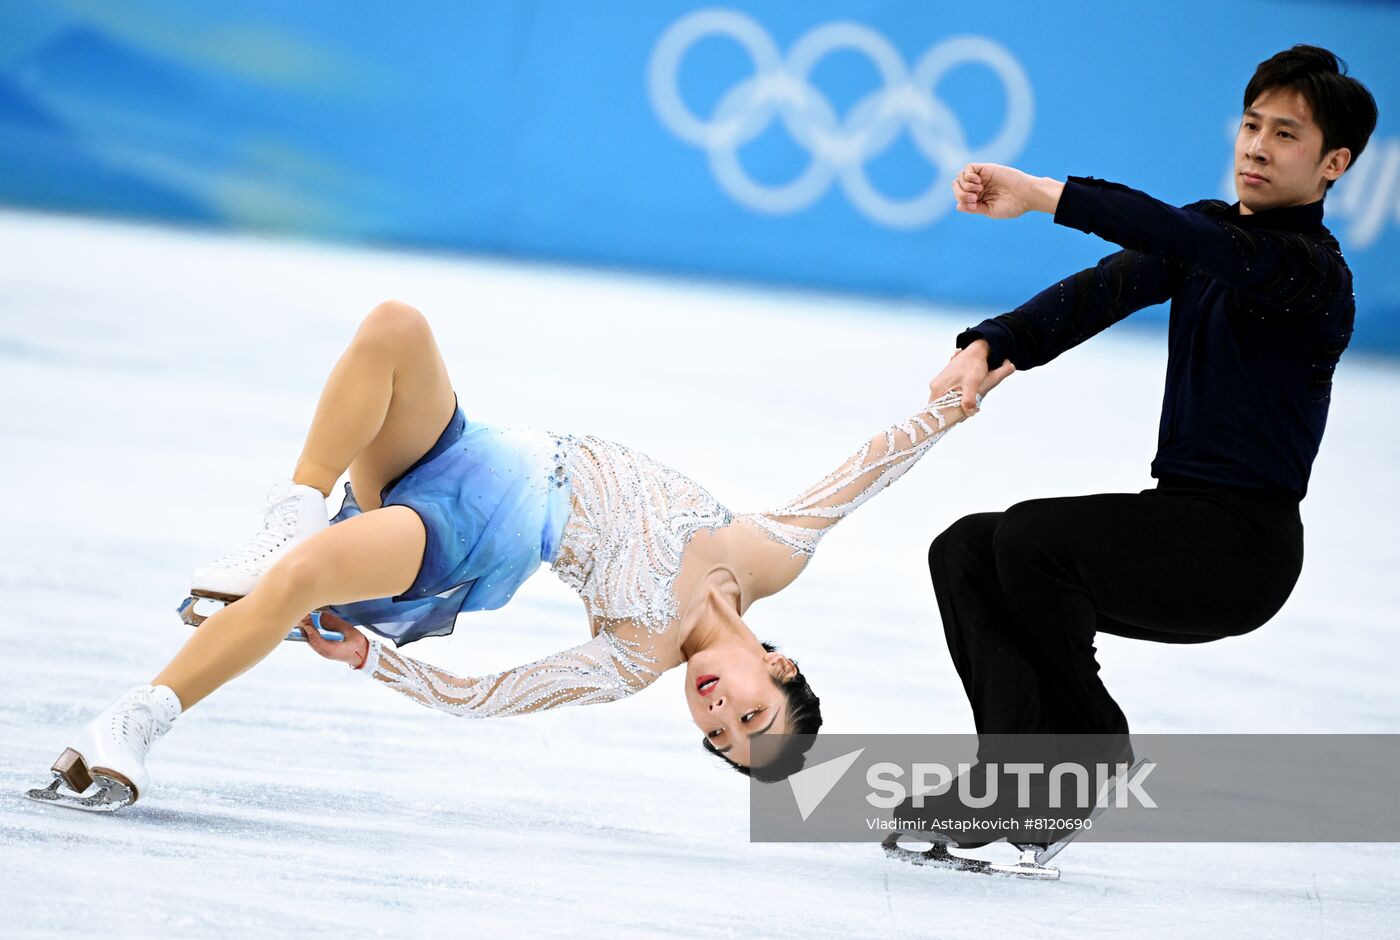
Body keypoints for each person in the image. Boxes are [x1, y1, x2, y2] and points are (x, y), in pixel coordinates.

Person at [30, 300, 1014, 811]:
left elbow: (485, 699)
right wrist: (953, 400)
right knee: (394, 329)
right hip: (475, 450)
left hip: (481, 534)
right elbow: (863, 472)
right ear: (780, 663)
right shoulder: (767, 556)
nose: (716, 712)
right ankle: (291, 510)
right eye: (748, 712)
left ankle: (131, 725)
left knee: (299, 583)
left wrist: (376, 658)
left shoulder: (635, 655)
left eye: (717, 735)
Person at [922, 46, 1378, 788]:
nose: (1257, 146)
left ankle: (1088, 754)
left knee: (1036, 542)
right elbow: (1101, 290)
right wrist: (991, 345)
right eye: (1252, 124)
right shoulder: (1211, 236)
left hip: (1242, 551)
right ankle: (1011, 779)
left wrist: (1044, 193)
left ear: (1335, 164)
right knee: (967, 550)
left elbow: (1184, 238)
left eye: (1287, 134)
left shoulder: (1311, 273)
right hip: (1181, 521)